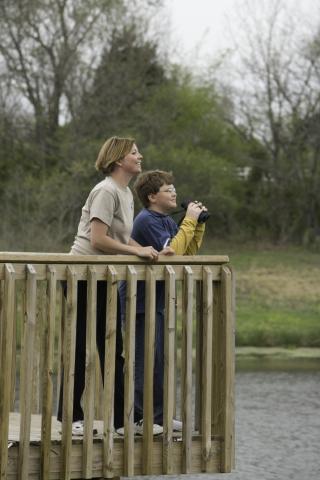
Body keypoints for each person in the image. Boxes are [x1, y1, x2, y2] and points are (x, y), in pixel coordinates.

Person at [57, 136, 158, 436]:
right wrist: (137, 252)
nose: (140, 156)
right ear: (117, 161)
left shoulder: (124, 193)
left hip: (103, 276)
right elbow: (98, 239)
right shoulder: (105, 191)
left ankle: (121, 420)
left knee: (113, 349)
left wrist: (149, 249)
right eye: (134, 153)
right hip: (80, 276)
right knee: (80, 349)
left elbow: (123, 240)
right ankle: (71, 417)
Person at [118, 169, 207, 436]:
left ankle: (159, 418)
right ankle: (137, 419)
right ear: (152, 196)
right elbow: (170, 256)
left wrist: (198, 224)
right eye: (169, 190)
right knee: (142, 360)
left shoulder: (166, 221)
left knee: (159, 361)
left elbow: (185, 254)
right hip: (139, 300)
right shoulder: (146, 220)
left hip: (158, 301)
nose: (175, 193)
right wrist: (189, 220)